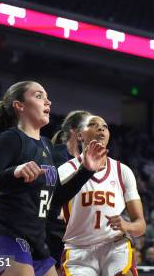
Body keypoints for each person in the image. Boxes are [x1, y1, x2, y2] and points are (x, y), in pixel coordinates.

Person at [0, 81, 106, 276]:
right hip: (6, 236)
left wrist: (86, 171)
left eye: (47, 96)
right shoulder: (11, 139)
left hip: (37, 241)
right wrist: (14, 172)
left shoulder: (45, 145)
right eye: (39, 96)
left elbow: (55, 199)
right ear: (20, 106)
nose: (48, 101)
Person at [58, 114, 145, 275]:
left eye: (105, 126)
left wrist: (127, 226)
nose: (101, 128)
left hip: (114, 246)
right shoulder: (65, 170)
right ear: (79, 135)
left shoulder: (122, 171)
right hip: (78, 249)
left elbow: (140, 225)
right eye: (92, 124)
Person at [46, 110, 91, 265]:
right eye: (89, 127)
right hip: (54, 233)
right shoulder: (53, 155)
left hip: (80, 235)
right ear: (74, 130)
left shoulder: (91, 162)